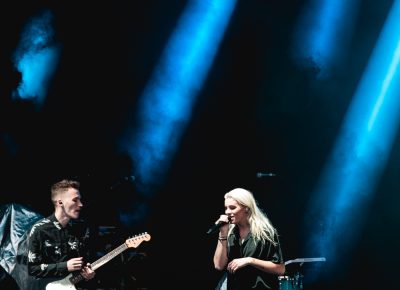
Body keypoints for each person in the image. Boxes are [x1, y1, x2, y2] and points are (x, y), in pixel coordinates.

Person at [27, 179, 96, 289]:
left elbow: (85, 264)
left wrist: (88, 274)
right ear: (60, 203)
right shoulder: (39, 230)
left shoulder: (82, 228)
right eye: (75, 200)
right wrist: (65, 266)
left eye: (80, 200)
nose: (81, 204)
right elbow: (33, 269)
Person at [213, 188, 285, 290]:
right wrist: (223, 233)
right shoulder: (229, 233)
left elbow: (280, 269)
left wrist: (250, 261)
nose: (227, 212)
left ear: (246, 208)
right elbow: (219, 266)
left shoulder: (265, 233)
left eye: (232, 208)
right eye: (226, 208)